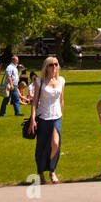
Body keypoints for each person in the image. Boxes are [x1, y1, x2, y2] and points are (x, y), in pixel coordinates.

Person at [30, 56, 65, 184]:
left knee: (55, 143)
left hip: (56, 116)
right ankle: (41, 172)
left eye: (56, 64)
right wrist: (33, 119)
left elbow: (61, 100)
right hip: (43, 117)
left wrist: (61, 115)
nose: (54, 67)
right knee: (42, 146)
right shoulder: (40, 82)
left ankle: (52, 169)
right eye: (51, 65)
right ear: (46, 67)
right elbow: (34, 102)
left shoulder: (61, 80)